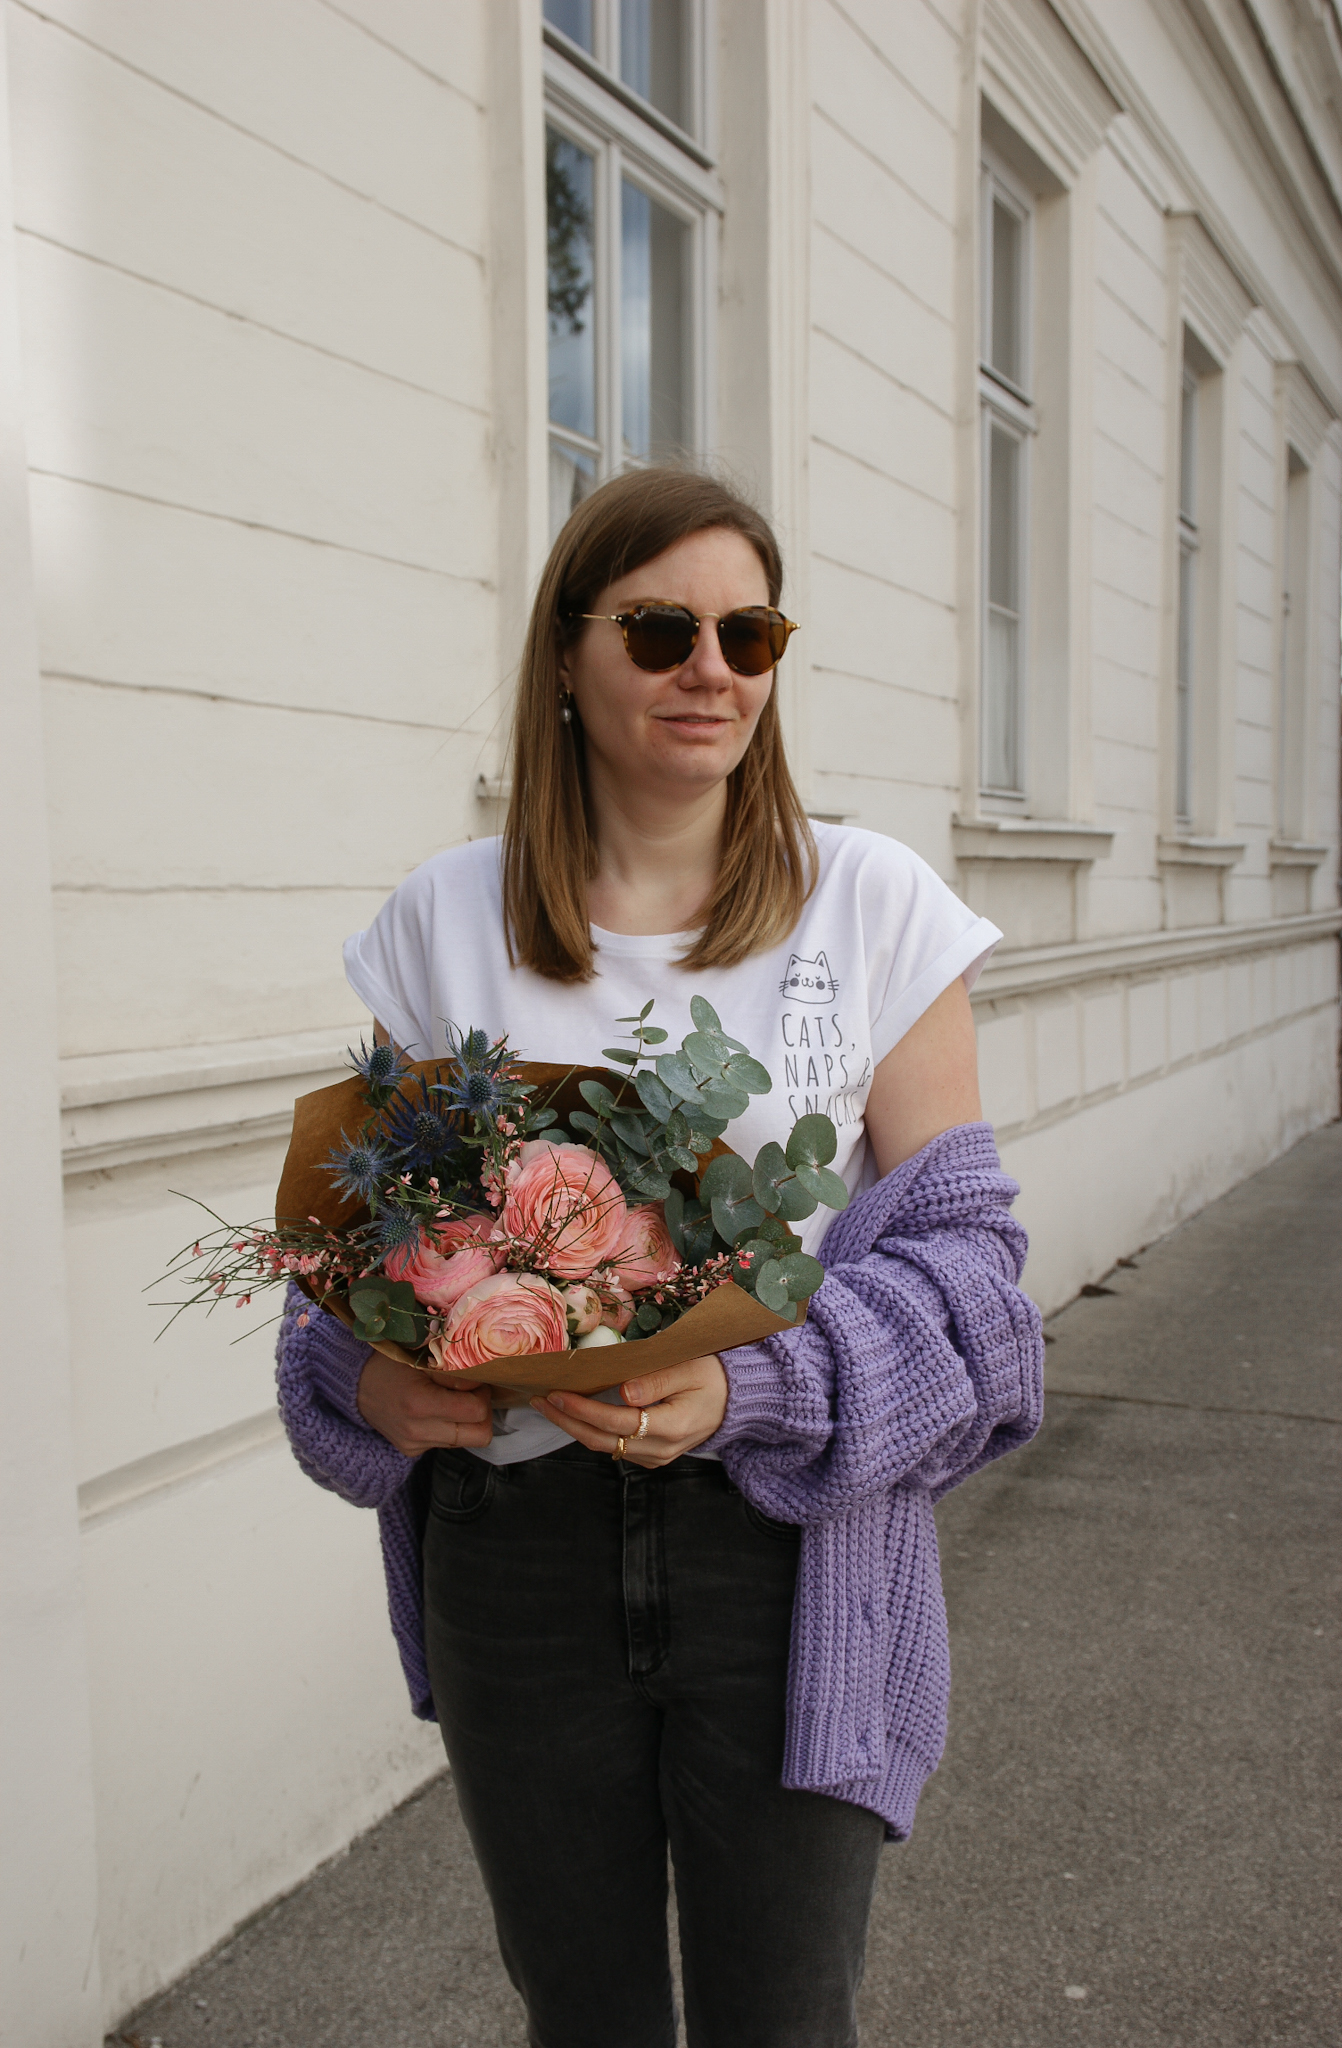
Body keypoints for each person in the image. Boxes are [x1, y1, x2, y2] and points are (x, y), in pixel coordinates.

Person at [276, 466, 1044, 2048]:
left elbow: (974, 1288)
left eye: (749, 632)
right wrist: (363, 1376)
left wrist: (747, 1385)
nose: (714, 667)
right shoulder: (443, 923)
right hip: (517, 1552)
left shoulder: (874, 910)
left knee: (783, 2020)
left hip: (788, 1555)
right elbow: (356, 1252)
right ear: (567, 655)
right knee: (583, 2015)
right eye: (660, 628)